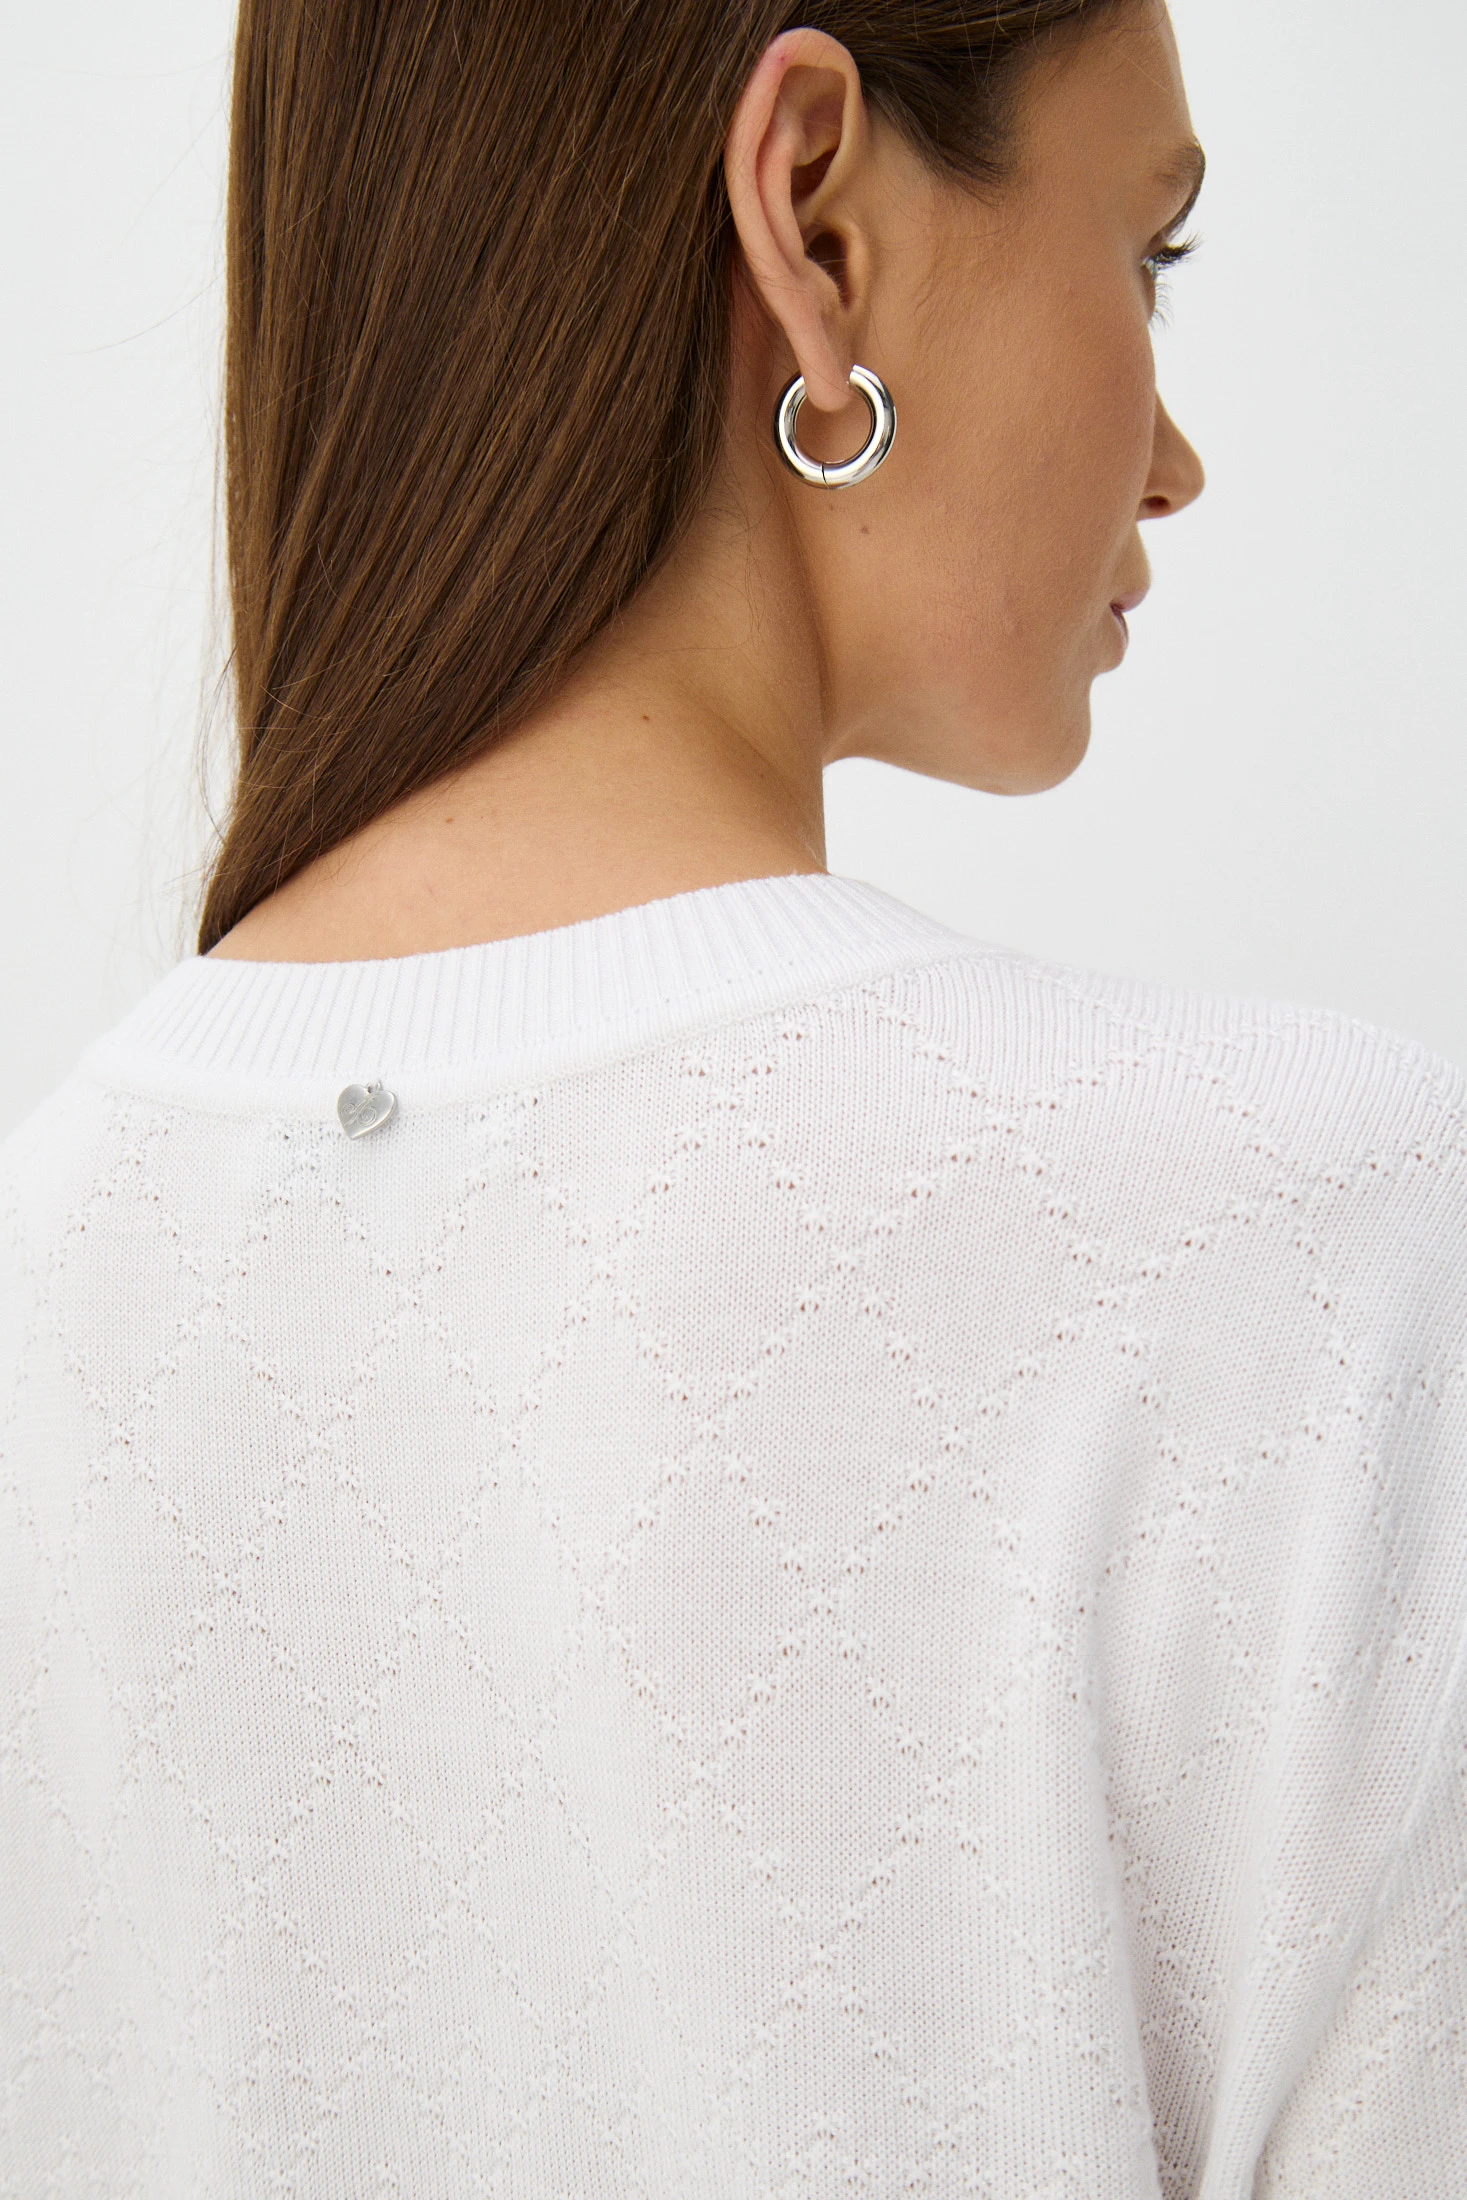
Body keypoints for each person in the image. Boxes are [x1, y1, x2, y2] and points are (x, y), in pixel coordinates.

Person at [2, 0, 1462, 2191]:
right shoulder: (1306, 1254)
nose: (1172, 460)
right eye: (1144, 252)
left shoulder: (43, 1284)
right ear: (815, 219)